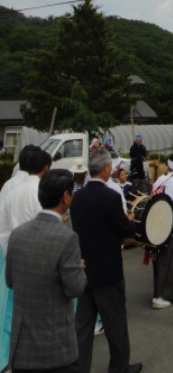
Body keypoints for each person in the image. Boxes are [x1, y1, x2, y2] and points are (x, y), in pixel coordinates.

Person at [6, 169, 87, 373]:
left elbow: (10, 281)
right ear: (65, 197)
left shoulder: (17, 235)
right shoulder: (67, 238)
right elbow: (75, 288)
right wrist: (78, 268)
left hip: (22, 347)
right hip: (56, 348)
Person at [70, 149, 142, 373]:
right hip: (108, 273)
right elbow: (125, 228)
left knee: (82, 326)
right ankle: (119, 368)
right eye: (110, 167)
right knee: (115, 323)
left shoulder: (77, 198)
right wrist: (132, 227)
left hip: (83, 271)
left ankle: (80, 368)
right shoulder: (110, 197)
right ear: (106, 169)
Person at [0, 148, 52, 371]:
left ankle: (8, 361)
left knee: (11, 314)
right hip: (37, 263)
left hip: (11, 258)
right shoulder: (41, 192)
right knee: (38, 316)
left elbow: (2, 228)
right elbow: (47, 228)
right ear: (46, 168)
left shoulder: (11, 191)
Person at [149, 153, 173, 309]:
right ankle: (166, 295)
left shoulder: (159, 181)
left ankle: (157, 292)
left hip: (158, 224)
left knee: (160, 258)